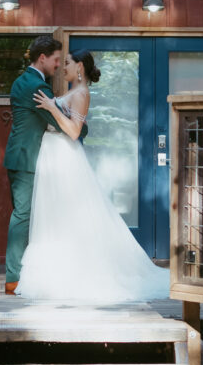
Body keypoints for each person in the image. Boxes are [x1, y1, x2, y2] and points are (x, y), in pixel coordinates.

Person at [16, 49, 170, 304]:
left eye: (67, 63)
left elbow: (75, 131)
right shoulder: (69, 92)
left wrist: (52, 109)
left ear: (80, 68)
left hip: (65, 155)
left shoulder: (82, 93)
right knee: (55, 215)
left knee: (69, 213)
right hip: (53, 154)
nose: (63, 67)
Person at [2, 34, 88, 294]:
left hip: (19, 155)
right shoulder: (36, 87)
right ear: (42, 58)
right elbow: (64, 124)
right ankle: (13, 278)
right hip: (27, 158)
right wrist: (83, 131)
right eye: (55, 60)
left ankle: (20, 273)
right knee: (23, 216)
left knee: (25, 215)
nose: (58, 65)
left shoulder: (21, 80)